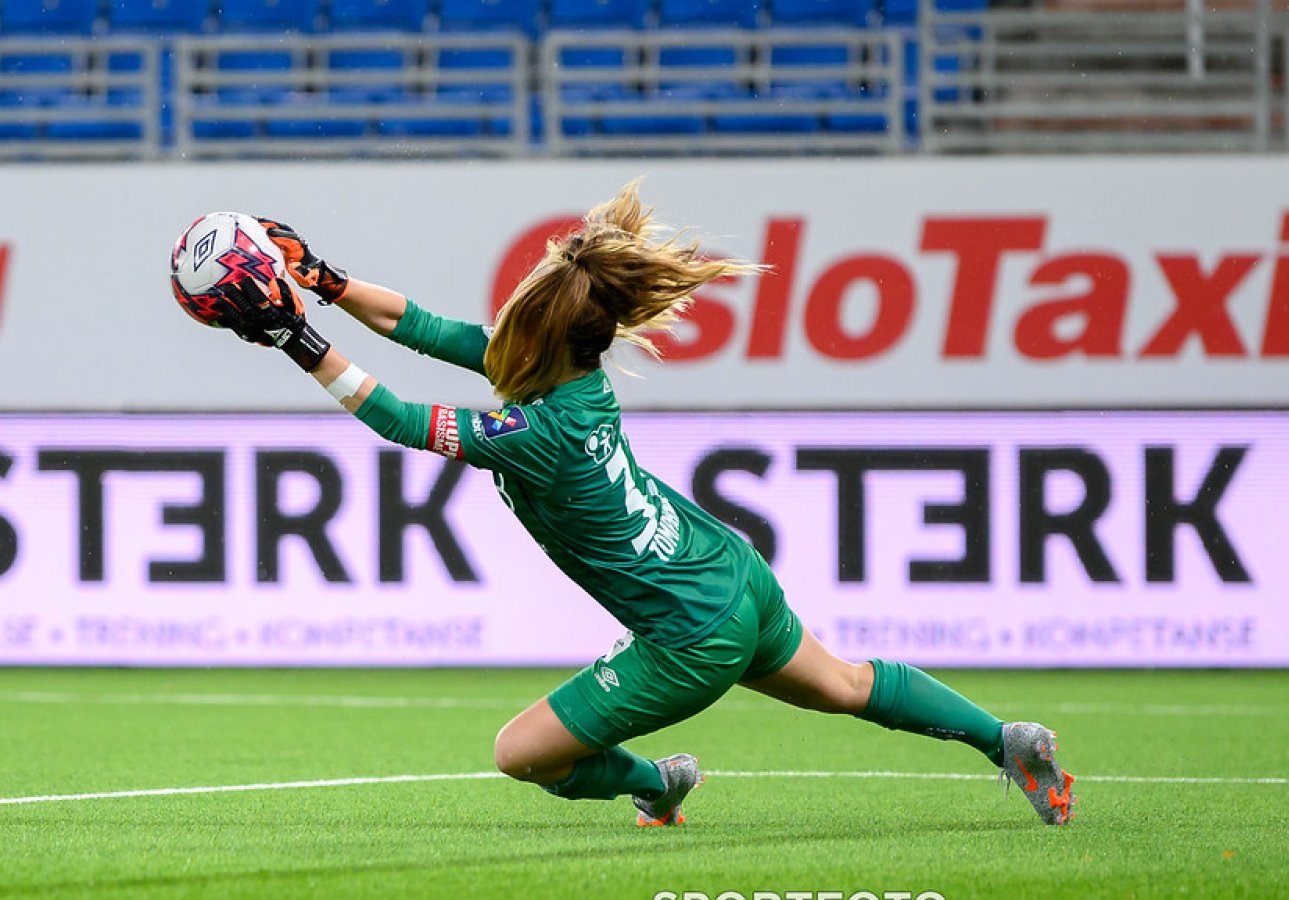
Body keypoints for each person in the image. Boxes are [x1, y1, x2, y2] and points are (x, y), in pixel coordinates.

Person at [206, 181, 1075, 828]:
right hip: (728, 572)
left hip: (691, 634)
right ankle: (1007, 741)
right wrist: (320, 277)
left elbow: (399, 419)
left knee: (521, 755)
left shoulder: (538, 428)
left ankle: (658, 783)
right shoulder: (562, 377)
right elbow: (425, 328)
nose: (498, 317)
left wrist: (297, 340)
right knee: (847, 685)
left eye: (513, 308)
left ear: (538, 330)